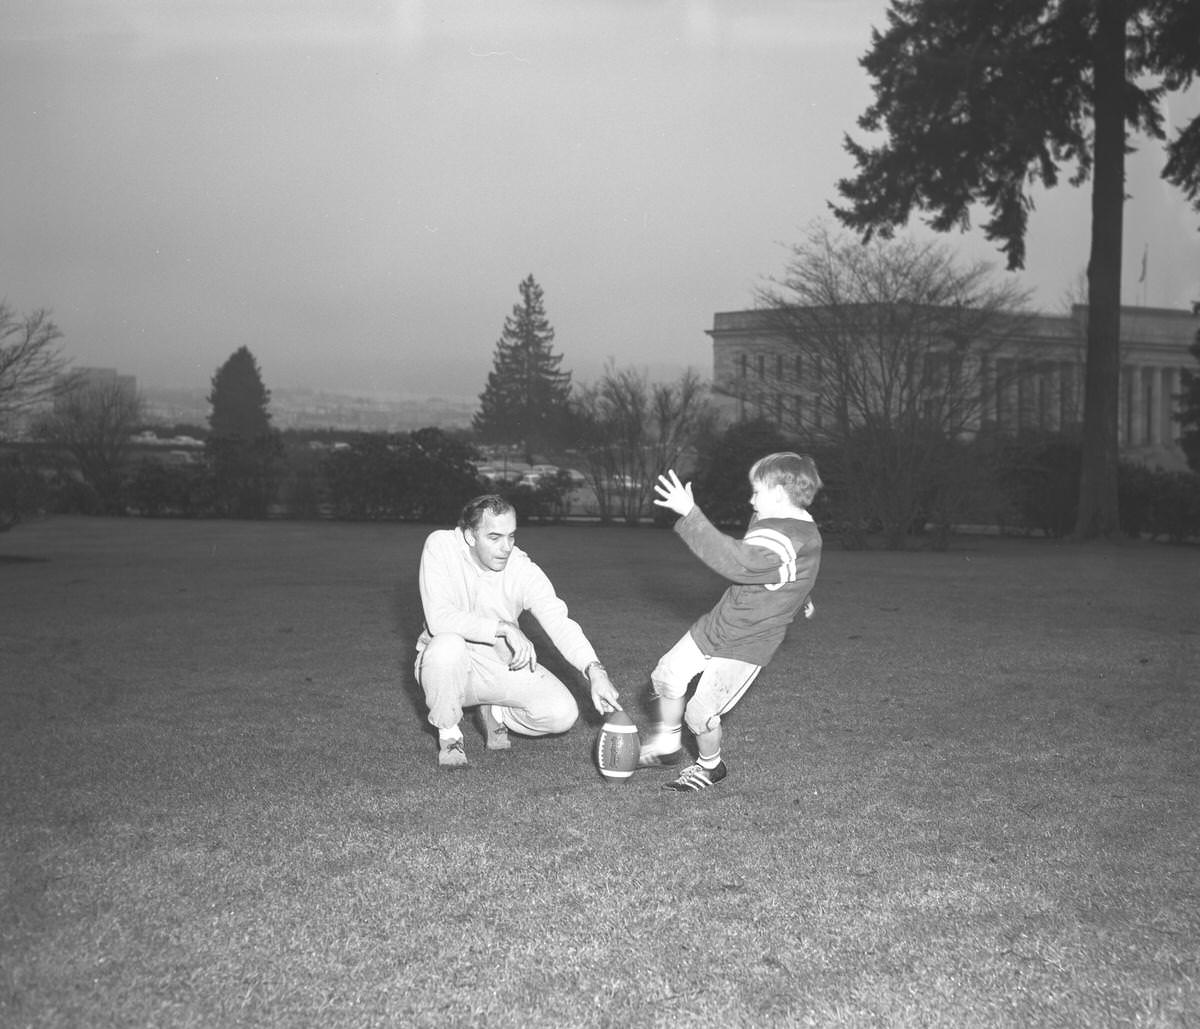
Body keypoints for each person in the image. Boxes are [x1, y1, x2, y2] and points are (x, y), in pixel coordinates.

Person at [638, 453, 823, 792]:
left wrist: (690, 514)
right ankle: (667, 743)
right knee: (666, 675)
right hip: (722, 621)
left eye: (757, 491)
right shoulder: (771, 519)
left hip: (748, 642)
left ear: (780, 494)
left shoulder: (790, 538)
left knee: (700, 714)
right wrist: (801, 594)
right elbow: (790, 571)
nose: (751, 499)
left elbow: (738, 562)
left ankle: (711, 766)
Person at [415, 494, 622, 768]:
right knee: (446, 646)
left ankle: (496, 709)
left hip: (501, 664)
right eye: (495, 537)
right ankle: (450, 734)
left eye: (511, 536)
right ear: (469, 536)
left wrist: (595, 671)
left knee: (561, 714)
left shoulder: (522, 568)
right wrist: (502, 628)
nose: (506, 547)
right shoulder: (441, 545)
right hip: (447, 670)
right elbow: (439, 618)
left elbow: (559, 620)